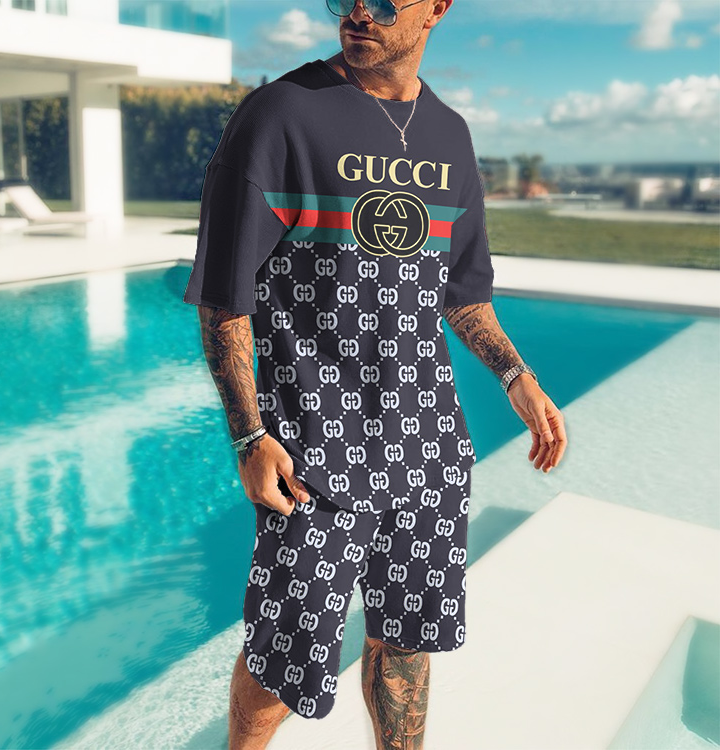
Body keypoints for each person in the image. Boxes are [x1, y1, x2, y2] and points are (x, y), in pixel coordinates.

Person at [183, 0, 568, 746]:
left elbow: (461, 293)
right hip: (314, 457)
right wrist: (250, 436)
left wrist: (516, 376)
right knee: (281, 663)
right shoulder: (280, 115)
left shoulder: (449, 135)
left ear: (436, 9)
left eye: (387, 0)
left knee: (406, 650)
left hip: (428, 449)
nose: (360, 11)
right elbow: (226, 298)